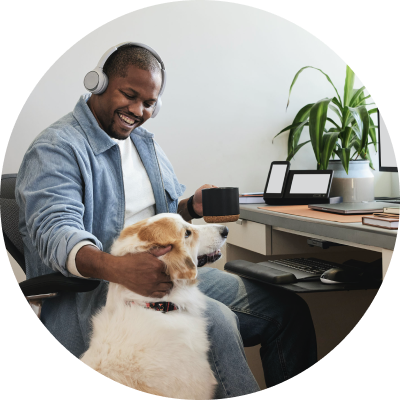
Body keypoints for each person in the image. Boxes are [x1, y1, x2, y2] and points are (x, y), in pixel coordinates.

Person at [15, 43, 317, 397]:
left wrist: (189, 208)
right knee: (216, 322)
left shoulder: (144, 144)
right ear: (98, 83)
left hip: (166, 277)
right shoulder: (56, 148)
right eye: (129, 95)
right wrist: (120, 269)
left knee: (286, 311)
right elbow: (55, 231)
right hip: (102, 293)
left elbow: (157, 218)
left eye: (149, 103)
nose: (138, 111)